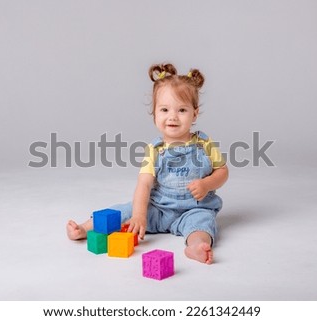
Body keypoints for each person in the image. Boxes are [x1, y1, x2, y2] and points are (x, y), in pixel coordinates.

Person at [67, 63, 228, 264]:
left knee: (203, 223)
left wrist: (207, 184)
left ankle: (196, 246)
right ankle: (84, 228)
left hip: (194, 208)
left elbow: (222, 171)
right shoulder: (154, 149)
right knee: (125, 211)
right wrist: (140, 215)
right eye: (164, 109)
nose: (172, 116)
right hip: (158, 208)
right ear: (154, 114)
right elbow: (144, 184)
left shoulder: (205, 144)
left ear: (194, 114)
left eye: (182, 110)